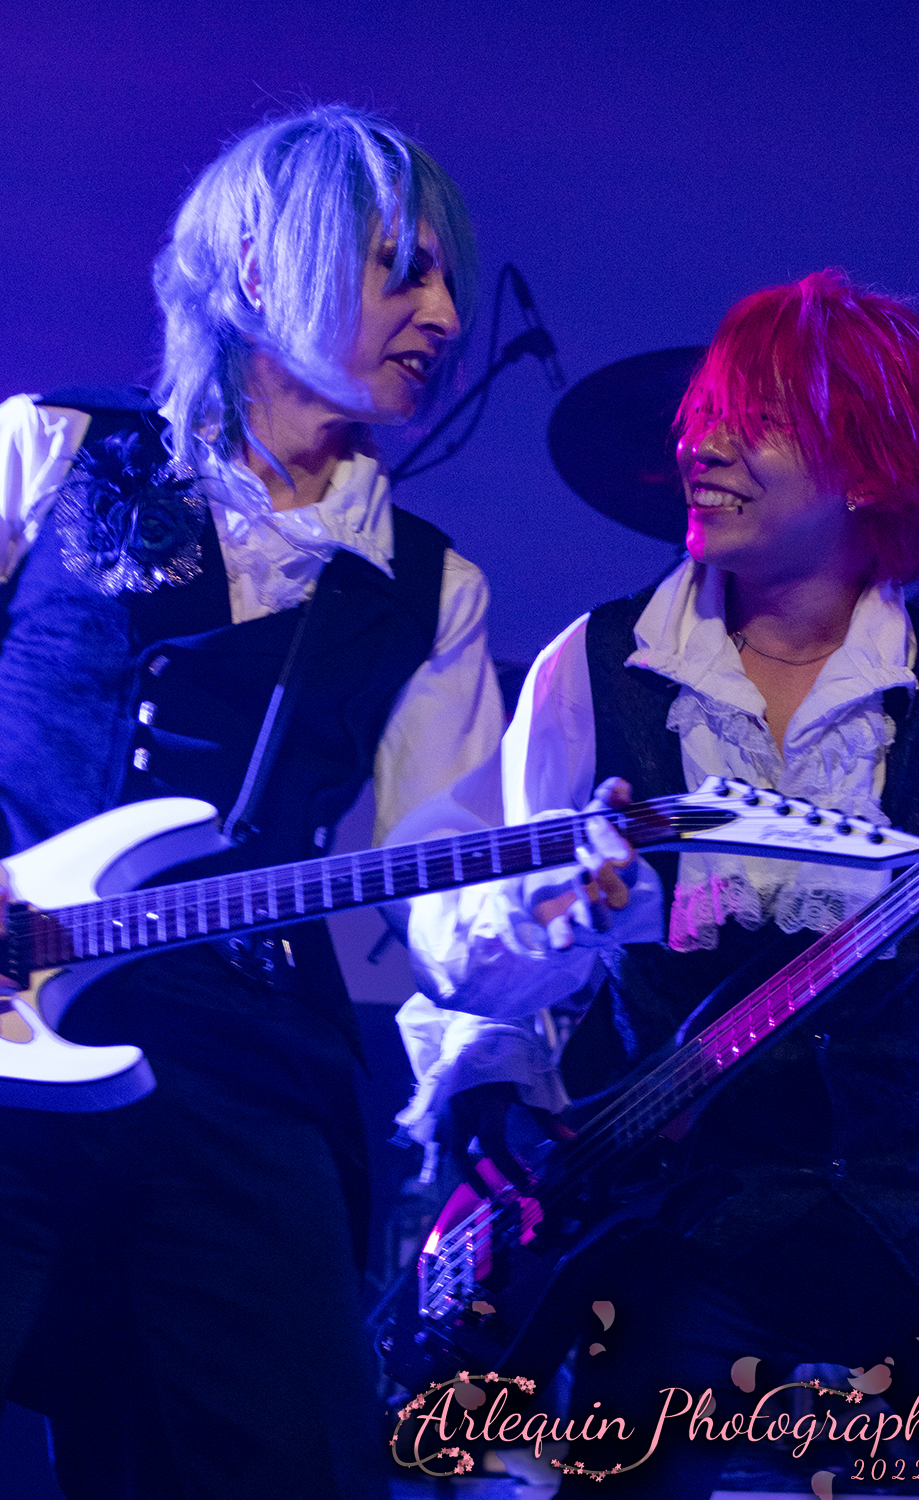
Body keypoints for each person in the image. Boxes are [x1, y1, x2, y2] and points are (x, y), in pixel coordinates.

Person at [396, 270, 919, 1495]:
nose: (700, 446)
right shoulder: (593, 668)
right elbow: (473, 965)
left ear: (868, 464)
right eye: (703, 416)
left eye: (753, 420)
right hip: (672, 1222)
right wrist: (562, 914)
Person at [0, 107, 504, 1499]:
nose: (443, 314)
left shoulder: (433, 587)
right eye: (400, 269)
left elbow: (443, 892)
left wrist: (556, 916)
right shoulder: (47, 453)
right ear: (258, 269)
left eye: (447, 280)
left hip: (247, 1081)